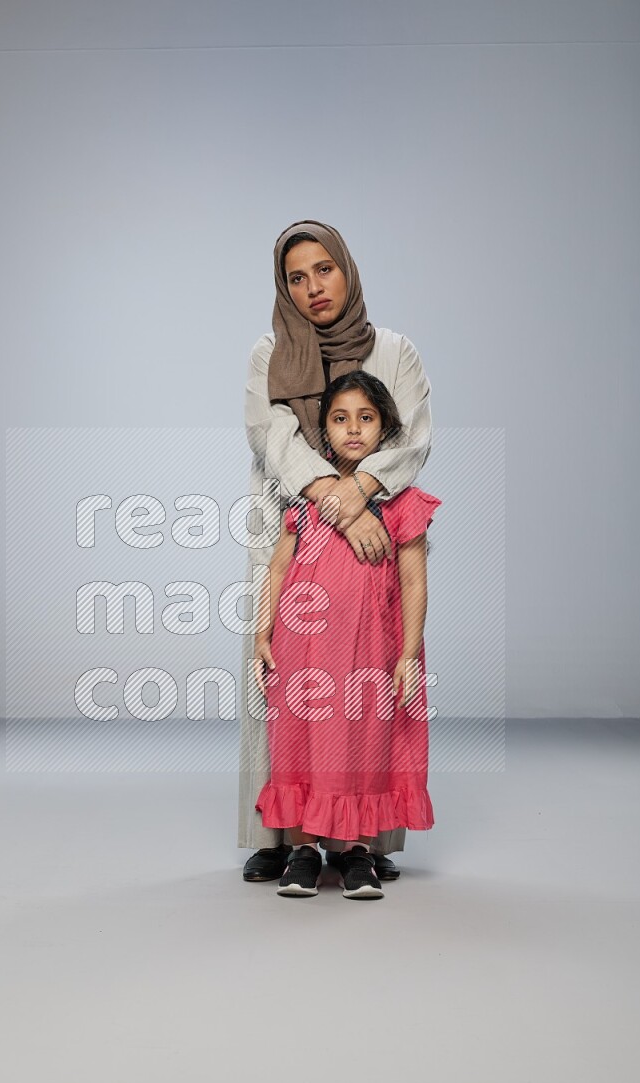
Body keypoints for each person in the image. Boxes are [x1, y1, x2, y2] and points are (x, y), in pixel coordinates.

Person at [239, 219, 434, 882]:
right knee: (286, 690)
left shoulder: (395, 351)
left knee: (367, 693)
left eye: (324, 269)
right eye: (296, 277)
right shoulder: (271, 352)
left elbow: (413, 437)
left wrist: (361, 493)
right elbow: (272, 435)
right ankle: (279, 835)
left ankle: (364, 843)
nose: (313, 287)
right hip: (293, 522)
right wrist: (333, 496)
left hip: (379, 527)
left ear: (346, 269)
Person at [251, 370, 441, 899]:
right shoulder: (307, 500)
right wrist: (263, 631)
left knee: (365, 742)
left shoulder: (404, 502)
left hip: (370, 650)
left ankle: (357, 851)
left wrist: (408, 654)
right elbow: (277, 568)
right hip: (303, 647)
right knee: (300, 740)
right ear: (324, 431)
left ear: (385, 428)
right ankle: (303, 851)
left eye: (366, 418)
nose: (353, 429)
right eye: (340, 419)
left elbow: (413, 581)